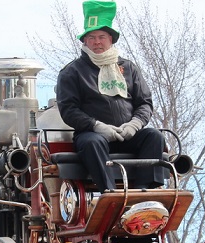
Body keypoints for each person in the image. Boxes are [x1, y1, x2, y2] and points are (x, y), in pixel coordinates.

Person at [56, 0, 166, 193]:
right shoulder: (72, 72)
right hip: (93, 135)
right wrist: (97, 126)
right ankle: (109, 193)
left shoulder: (129, 68)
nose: (97, 42)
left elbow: (145, 103)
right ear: (84, 41)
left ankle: (144, 191)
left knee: (154, 136)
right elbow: (69, 110)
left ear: (111, 39)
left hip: (127, 134)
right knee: (92, 142)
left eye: (101, 36)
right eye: (91, 37)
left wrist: (134, 124)